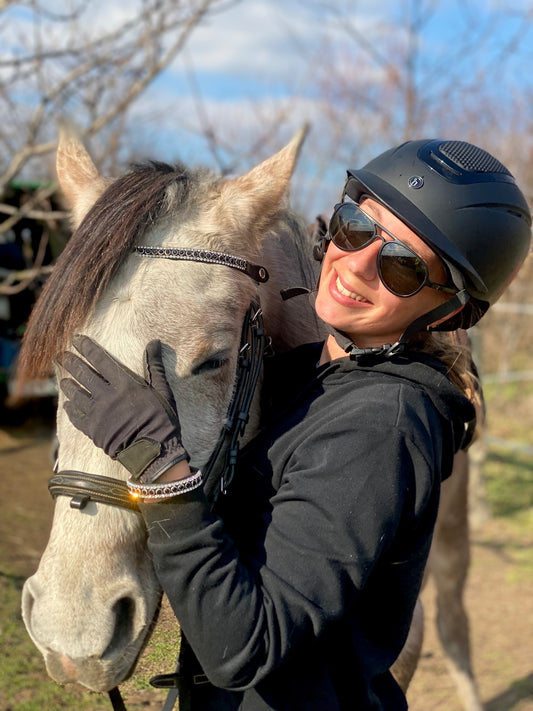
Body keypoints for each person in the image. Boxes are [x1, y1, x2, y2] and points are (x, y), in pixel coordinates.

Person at [59, 139, 531, 710]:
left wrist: (162, 471)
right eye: (356, 227)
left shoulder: (384, 424)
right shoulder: (314, 376)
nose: (355, 265)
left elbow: (245, 650)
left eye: (402, 267)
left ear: (449, 310)